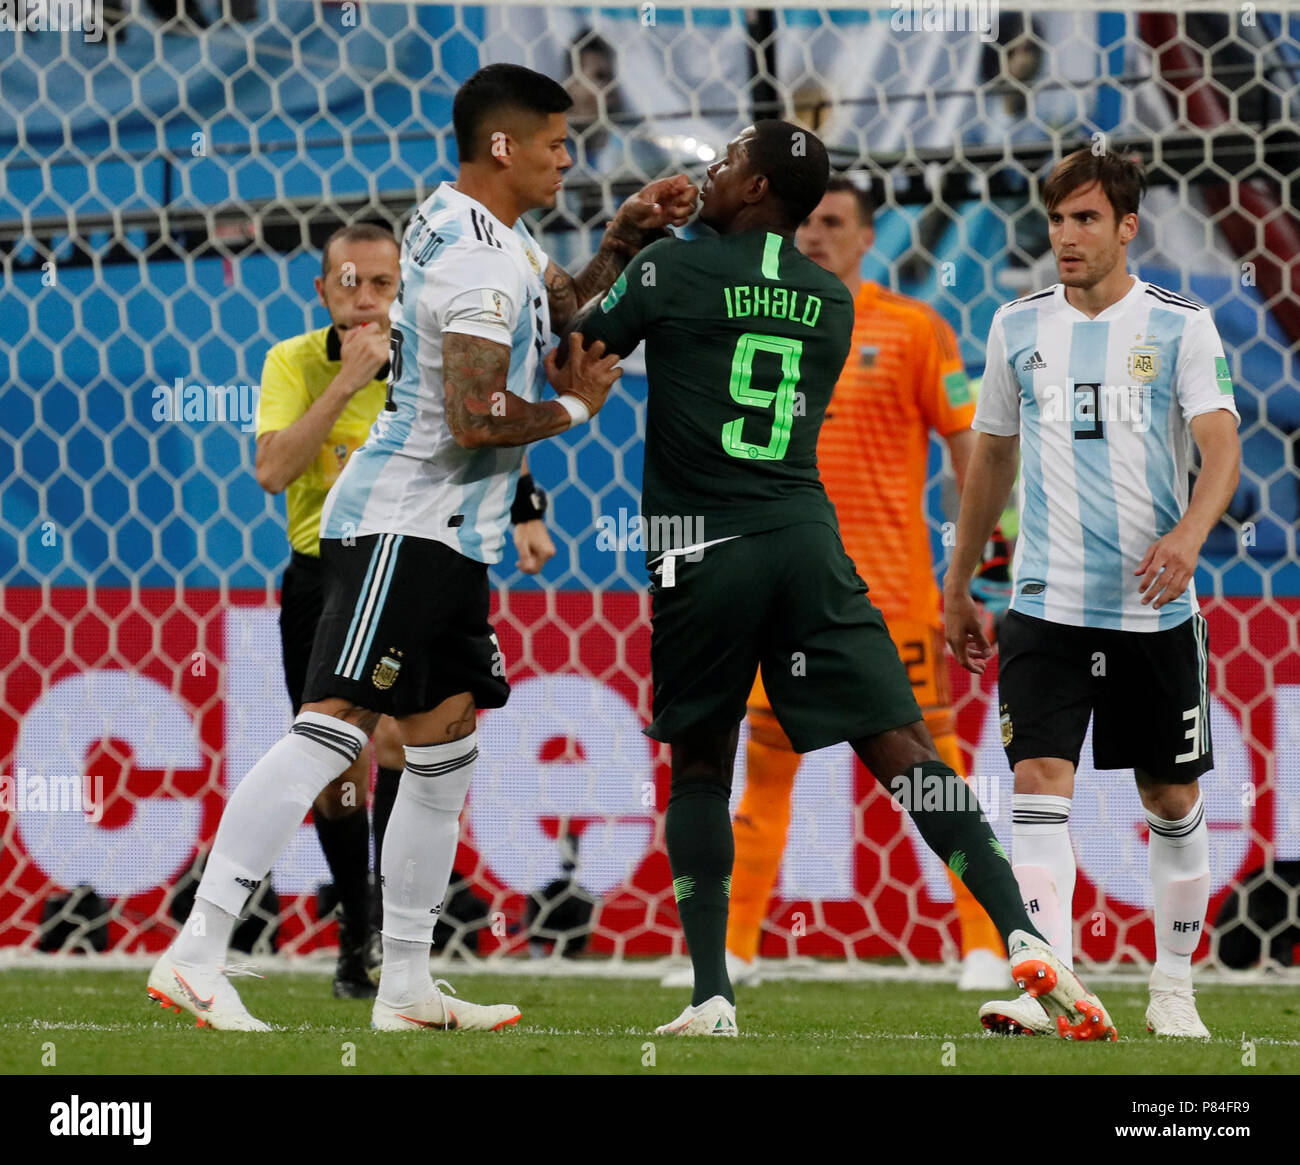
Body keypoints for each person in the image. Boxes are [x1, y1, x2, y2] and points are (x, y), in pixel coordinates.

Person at [146, 62, 696, 1031]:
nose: (570, 157)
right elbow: (480, 416)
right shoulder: (482, 261)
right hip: (406, 521)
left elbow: (564, 309)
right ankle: (197, 947)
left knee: (444, 746)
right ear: (502, 147)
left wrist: (626, 236)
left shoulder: (477, 228)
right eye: (556, 142)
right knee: (334, 726)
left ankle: (402, 984)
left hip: (455, 533)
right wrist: (577, 405)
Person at [576, 119, 1116, 1040]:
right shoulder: (831, 303)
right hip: (809, 543)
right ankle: (1028, 938)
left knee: (704, 765)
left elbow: (573, 339)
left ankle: (711, 994)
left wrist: (629, 235)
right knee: (908, 750)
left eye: (727, 162)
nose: (711, 170)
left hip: (700, 544)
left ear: (753, 192)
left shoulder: (671, 272)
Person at [943, 148, 1241, 1037]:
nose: (1065, 236)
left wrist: (1189, 534)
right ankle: (1053, 989)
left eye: (1084, 219)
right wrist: (960, 582)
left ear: (1125, 228)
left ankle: (1174, 986)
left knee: (1172, 801)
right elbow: (991, 456)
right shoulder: (1016, 327)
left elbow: (1220, 445)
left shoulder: (1181, 326)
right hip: (1045, 603)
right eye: (1056, 219)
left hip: (1152, 607)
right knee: (1035, 783)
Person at [716, 177, 1007, 992]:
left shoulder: (916, 329)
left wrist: (987, 567)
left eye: (832, 222)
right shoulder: (761, 327)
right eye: (803, 221)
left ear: (869, 236)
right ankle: (733, 951)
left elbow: (970, 450)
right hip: (784, 596)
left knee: (930, 769)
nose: (814, 235)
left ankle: (984, 945)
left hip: (892, 598)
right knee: (764, 772)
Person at [253, 222, 406, 998]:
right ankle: (358, 924)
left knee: (406, 749)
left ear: (401, 288)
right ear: (322, 291)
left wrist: (524, 508)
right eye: (348, 283)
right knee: (336, 774)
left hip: (413, 571)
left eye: (381, 283)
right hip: (325, 580)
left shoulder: (428, 362)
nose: (365, 299)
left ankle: (404, 938)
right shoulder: (292, 362)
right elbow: (273, 471)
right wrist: (345, 383)